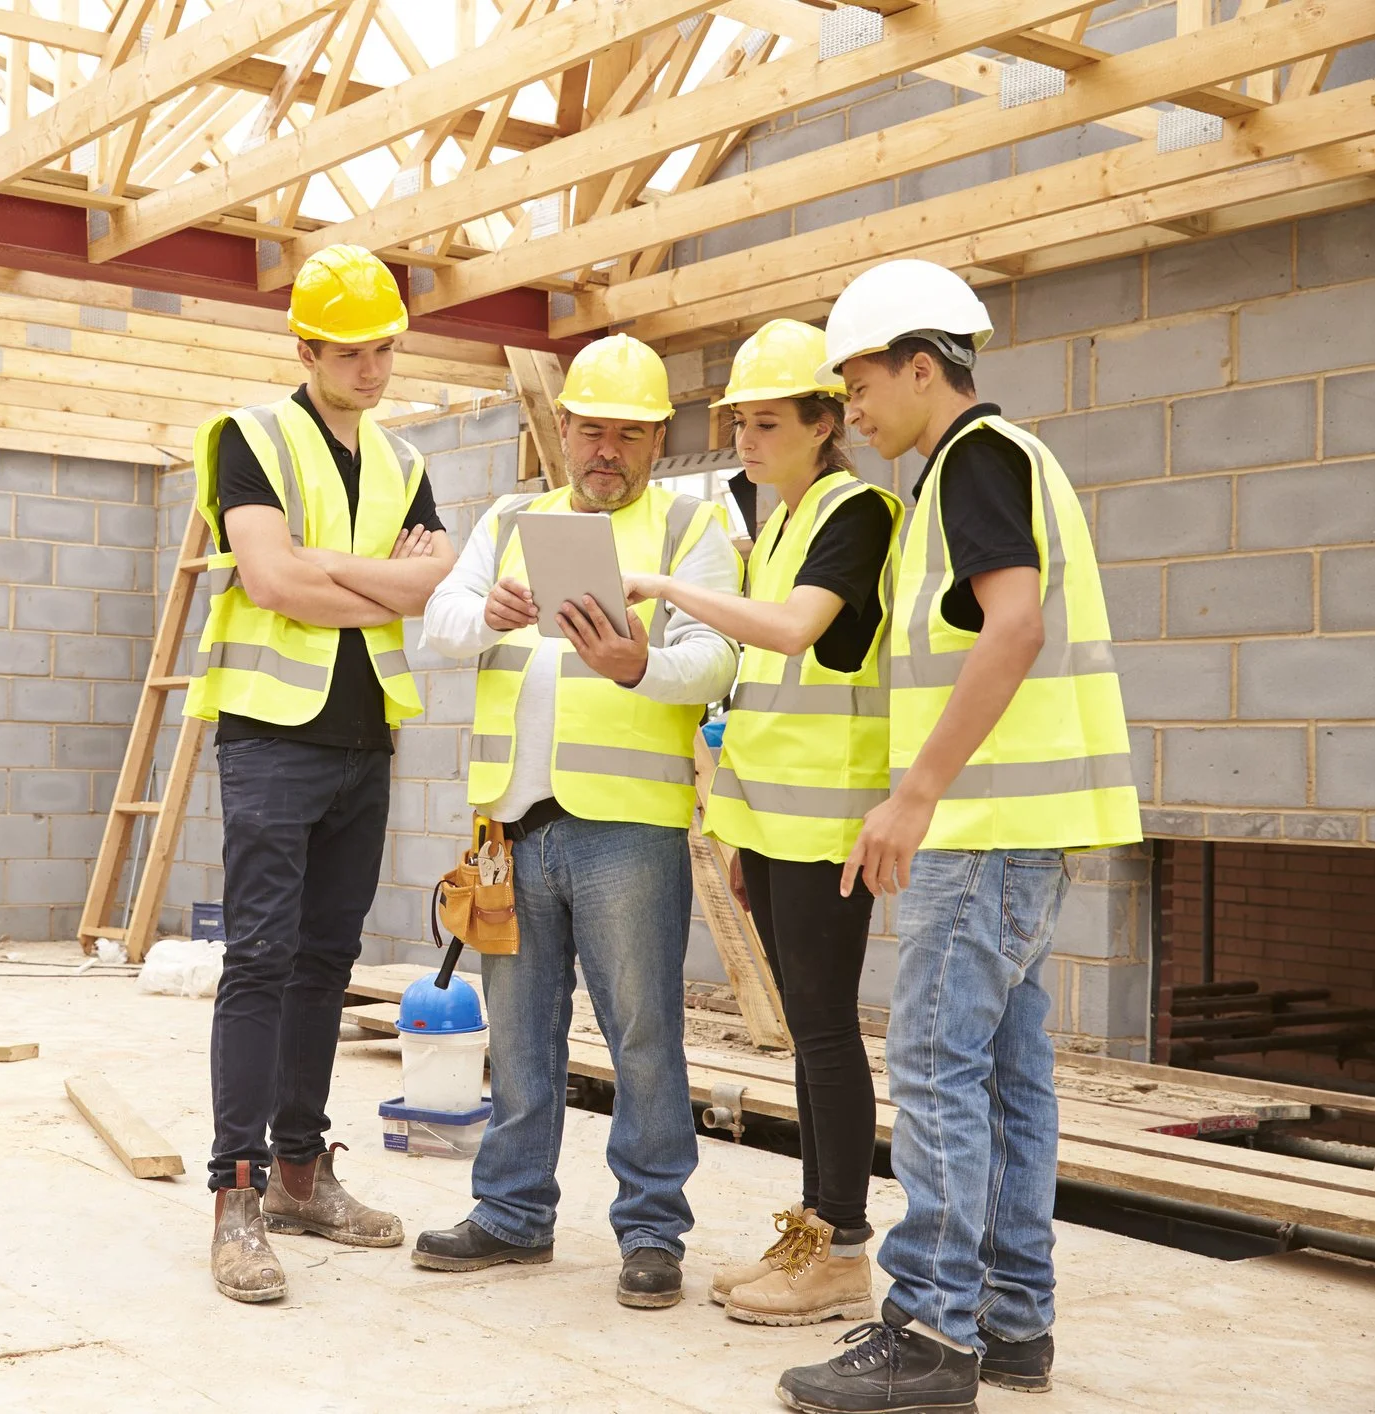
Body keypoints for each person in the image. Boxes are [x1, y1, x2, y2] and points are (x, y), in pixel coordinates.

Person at [774, 260, 1141, 1413]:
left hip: (981, 827)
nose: (855, 409)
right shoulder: (996, 466)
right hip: (1021, 827)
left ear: (922, 368)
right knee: (1007, 1076)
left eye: (863, 383)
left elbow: (1015, 624)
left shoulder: (976, 462)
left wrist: (919, 792)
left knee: (936, 1066)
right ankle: (1012, 1319)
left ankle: (932, 1329)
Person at [412, 334, 741, 1310]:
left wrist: (643, 665)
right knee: (518, 1037)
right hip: (514, 824)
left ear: (658, 439)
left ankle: (651, 1230)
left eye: (628, 435)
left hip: (626, 830)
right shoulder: (514, 518)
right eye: (591, 429)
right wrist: (493, 613)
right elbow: (439, 625)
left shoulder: (691, 530)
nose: (607, 450)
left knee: (644, 1036)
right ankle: (512, 1215)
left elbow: (719, 659)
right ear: (565, 430)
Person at [185, 244, 457, 1304]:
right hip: (270, 734)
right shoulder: (249, 439)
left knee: (324, 962)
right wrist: (379, 579)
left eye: (388, 348)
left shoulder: (403, 459)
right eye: (353, 351)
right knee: (258, 958)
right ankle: (235, 1192)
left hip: (363, 739)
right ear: (304, 345)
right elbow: (268, 576)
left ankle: (301, 1169)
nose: (375, 369)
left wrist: (331, 571)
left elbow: (429, 589)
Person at [622, 319, 899, 1328]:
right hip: (774, 820)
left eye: (768, 421)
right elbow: (760, 684)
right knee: (803, 1032)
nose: (746, 440)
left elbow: (790, 631)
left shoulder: (856, 513)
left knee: (826, 1033)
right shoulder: (776, 520)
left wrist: (659, 584)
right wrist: (734, 828)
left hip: (830, 820)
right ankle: (810, 1231)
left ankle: (841, 1247)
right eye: (739, 422)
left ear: (826, 423)